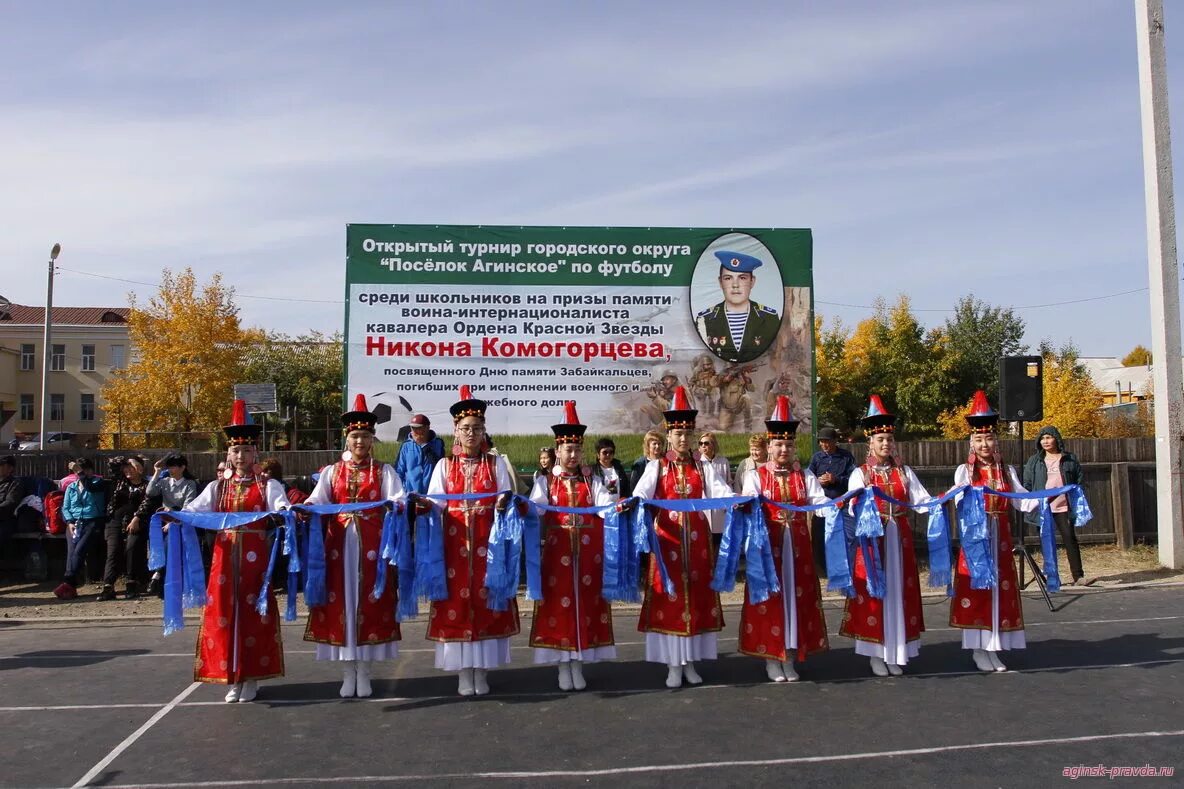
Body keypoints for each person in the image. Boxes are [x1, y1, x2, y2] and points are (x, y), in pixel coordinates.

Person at [184, 400, 290, 703]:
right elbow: (194, 509)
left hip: (255, 561)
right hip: (224, 559)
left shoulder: (266, 485)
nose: (240, 456)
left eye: (245, 450)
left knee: (253, 614)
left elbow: (281, 507)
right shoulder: (219, 487)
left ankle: (252, 676)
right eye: (235, 451)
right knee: (224, 614)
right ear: (227, 454)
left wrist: (286, 512)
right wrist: (173, 517)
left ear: (254, 452)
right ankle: (232, 675)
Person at [303, 394, 405, 698]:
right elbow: (318, 500)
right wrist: (305, 507)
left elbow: (398, 498)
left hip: (373, 546)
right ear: (347, 439)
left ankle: (366, 671)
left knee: (370, 602)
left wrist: (396, 506)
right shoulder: (332, 472)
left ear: (372, 439)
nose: (359, 441)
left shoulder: (384, 471)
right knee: (341, 603)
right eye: (354, 436)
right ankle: (348, 671)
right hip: (339, 548)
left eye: (364, 436)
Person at [630, 386, 733, 688]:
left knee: (697, 600)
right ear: (669, 435)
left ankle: (690, 662)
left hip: (698, 544)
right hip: (668, 543)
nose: (684, 439)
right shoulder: (657, 466)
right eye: (678, 434)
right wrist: (636, 502)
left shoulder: (703, 467)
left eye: (688, 433)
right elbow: (640, 493)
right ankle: (674, 664)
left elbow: (721, 493)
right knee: (672, 600)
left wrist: (740, 499)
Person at [421, 386, 520, 697]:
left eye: (477, 428)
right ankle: (464, 672)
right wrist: (424, 505)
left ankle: (482, 671)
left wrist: (504, 502)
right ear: (456, 431)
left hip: (488, 548)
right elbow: (436, 501)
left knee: (486, 601)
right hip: (454, 549)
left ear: (483, 431)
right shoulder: (443, 466)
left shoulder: (496, 465)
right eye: (466, 429)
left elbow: (507, 495)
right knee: (457, 603)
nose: (472, 434)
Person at [737, 396, 830, 682]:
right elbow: (747, 499)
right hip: (769, 548)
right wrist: (745, 503)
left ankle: (789, 656)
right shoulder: (758, 475)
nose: (783, 449)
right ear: (769, 446)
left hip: (798, 549)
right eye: (778, 444)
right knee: (772, 600)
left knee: (795, 599)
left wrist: (838, 505)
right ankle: (771, 658)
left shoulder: (805, 475)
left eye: (788, 445)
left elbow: (820, 501)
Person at [529, 402, 617, 691]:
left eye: (577, 450)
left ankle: (578, 664)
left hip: (588, 557)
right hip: (558, 556)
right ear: (557, 451)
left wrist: (620, 506)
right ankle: (562, 666)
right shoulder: (547, 480)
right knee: (560, 607)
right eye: (567, 449)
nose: (573, 454)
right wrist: (524, 507)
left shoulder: (591, 480)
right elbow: (537, 508)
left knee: (585, 607)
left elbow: (605, 506)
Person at [843, 395, 932, 677]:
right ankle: (876, 653)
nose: (885, 444)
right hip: (874, 542)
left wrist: (947, 500)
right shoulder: (861, 474)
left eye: (889, 439)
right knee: (876, 593)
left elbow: (921, 501)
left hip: (900, 539)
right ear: (870, 441)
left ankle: (897, 650)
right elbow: (851, 505)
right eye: (880, 439)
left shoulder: (904, 473)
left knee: (899, 591)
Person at [953, 391, 1038, 673]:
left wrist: (1047, 496)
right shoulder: (965, 471)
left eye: (989, 438)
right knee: (978, 590)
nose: (985, 444)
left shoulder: (1006, 470)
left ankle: (994, 647)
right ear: (972, 443)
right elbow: (957, 500)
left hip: (1000, 536)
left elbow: (1021, 498)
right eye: (979, 439)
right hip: (977, 537)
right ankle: (978, 649)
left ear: (995, 440)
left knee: (999, 590)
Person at [1022, 426, 1091, 586]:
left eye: (1048, 437)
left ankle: (1078, 577)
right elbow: (1027, 483)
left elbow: (1078, 481)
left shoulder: (1069, 459)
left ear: (1056, 439)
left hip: (1063, 507)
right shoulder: (1034, 461)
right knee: (1046, 542)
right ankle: (1052, 578)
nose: (1045, 441)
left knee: (1070, 539)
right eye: (1042, 438)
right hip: (1043, 509)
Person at [695, 250, 780, 363]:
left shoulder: (769, 318)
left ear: (752, 281)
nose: (735, 285)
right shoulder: (705, 320)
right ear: (720, 282)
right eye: (728, 278)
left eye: (742, 278)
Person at [140, 453, 198, 597]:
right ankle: (160, 576)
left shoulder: (189, 484)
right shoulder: (165, 482)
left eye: (174, 466)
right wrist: (157, 472)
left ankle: (159, 574)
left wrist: (173, 520)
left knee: (171, 545)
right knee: (164, 545)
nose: (171, 469)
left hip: (182, 521)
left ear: (182, 467)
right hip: (165, 521)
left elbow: (187, 507)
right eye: (169, 466)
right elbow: (150, 492)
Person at [53, 458, 107, 600]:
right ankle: (70, 586)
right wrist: (70, 521)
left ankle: (67, 582)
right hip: (75, 523)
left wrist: (82, 474)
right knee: (72, 552)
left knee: (79, 550)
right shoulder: (71, 487)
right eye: (80, 471)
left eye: (86, 470)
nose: (83, 473)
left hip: (92, 521)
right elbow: (66, 507)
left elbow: (90, 487)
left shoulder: (97, 483)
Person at [100, 455, 149, 600]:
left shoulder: (146, 485)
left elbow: (148, 503)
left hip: (136, 521)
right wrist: (130, 460)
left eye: (132, 467)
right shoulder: (120, 482)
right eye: (126, 467)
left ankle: (131, 583)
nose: (128, 470)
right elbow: (112, 463)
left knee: (132, 549)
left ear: (140, 469)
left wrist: (137, 518)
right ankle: (108, 586)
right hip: (115, 520)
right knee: (113, 551)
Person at [807, 426, 857, 571]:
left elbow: (854, 479)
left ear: (835, 441)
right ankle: (822, 567)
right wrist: (818, 481)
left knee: (846, 536)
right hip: (822, 506)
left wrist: (836, 479)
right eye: (822, 442)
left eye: (827, 441)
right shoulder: (817, 458)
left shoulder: (846, 457)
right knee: (820, 536)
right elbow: (808, 478)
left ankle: (845, 565)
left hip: (843, 505)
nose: (824, 445)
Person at [395, 414, 444, 496]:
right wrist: (399, 493)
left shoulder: (438, 443)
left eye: (418, 428)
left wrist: (425, 446)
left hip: (431, 495)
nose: (414, 431)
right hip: (409, 495)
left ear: (427, 428)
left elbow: (439, 467)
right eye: (412, 428)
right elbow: (399, 470)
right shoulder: (406, 446)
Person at [697, 431, 731, 538]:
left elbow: (728, 481)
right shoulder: (698, 462)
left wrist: (728, 502)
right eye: (701, 443)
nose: (703, 446)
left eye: (706, 443)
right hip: (704, 504)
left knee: (719, 536)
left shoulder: (723, 462)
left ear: (713, 445)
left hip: (720, 505)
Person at [0, 455, 23, 548]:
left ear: (10, 468)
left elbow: (10, 503)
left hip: (5, 520)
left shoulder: (15, 483)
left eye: (1, 465)